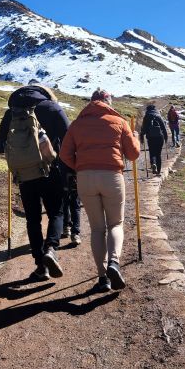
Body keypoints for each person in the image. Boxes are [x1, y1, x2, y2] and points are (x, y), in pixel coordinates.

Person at [60, 88, 140, 292]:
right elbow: (133, 154)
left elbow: (64, 154)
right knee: (115, 224)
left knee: (97, 228)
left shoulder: (77, 124)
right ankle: (114, 262)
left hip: (85, 178)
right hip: (112, 176)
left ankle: (102, 277)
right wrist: (136, 138)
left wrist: (80, 165)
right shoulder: (119, 122)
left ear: (91, 102)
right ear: (108, 102)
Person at [0, 80, 69, 281]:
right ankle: (51, 249)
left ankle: (40, 266)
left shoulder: (12, 112)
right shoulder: (52, 107)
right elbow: (69, 137)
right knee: (56, 212)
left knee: (32, 219)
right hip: (50, 170)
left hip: (24, 175)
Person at [140, 103, 167, 175]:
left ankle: (153, 164)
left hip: (151, 138)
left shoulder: (146, 116)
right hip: (159, 137)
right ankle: (158, 172)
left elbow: (143, 129)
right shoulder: (158, 115)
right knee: (158, 154)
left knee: (152, 153)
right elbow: (164, 128)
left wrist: (141, 137)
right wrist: (166, 137)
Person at [61, 174, 82, 245]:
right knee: (70, 205)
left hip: (66, 177)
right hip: (70, 176)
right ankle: (71, 231)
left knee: (69, 204)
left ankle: (71, 230)